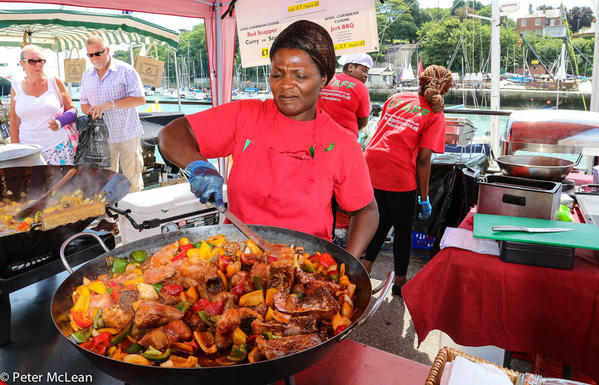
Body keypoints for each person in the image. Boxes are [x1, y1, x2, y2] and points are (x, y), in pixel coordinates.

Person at [158, 20, 378, 258]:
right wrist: (197, 165)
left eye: (300, 76)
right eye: (277, 74)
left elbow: (367, 211)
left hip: (308, 262)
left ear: (323, 79)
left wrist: (350, 263)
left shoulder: (340, 143)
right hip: (236, 254)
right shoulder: (245, 115)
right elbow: (172, 133)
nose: (285, 85)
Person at [362, 65, 452, 295]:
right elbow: (423, 160)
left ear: (420, 82)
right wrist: (424, 197)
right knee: (403, 229)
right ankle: (400, 284)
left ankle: (364, 269)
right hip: (398, 173)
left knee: (379, 222)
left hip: (371, 165)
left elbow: (382, 131)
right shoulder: (435, 116)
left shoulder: (396, 98)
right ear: (446, 90)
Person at [80, 35, 145, 193]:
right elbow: (83, 103)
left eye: (98, 53)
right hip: (102, 139)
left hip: (127, 134)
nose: (94, 58)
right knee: (106, 183)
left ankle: (136, 217)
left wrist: (111, 104)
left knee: (132, 181)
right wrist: (91, 111)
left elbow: (140, 99)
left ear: (107, 50)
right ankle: (112, 217)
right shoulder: (86, 75)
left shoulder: (126, 70)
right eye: (90, 55)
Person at [10, 45, 77, 165]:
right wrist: (15, 149)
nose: (38, 64)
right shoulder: (16, 85)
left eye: (41, 60)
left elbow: (72, 110)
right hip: (28, 151)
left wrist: (60, 121)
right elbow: (14, 119)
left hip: (58, 147)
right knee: (32, 184)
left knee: (63, 183)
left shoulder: (54, 81)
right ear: (22, 64)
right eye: (32, 61)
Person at [318, 53, 373, 139]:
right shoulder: (361, 87)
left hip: (319, 135)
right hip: (345, 139)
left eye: (367, 73)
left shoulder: (326, 80)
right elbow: (363, 122)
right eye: (364, 70)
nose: (366, 76)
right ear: (350, 67)